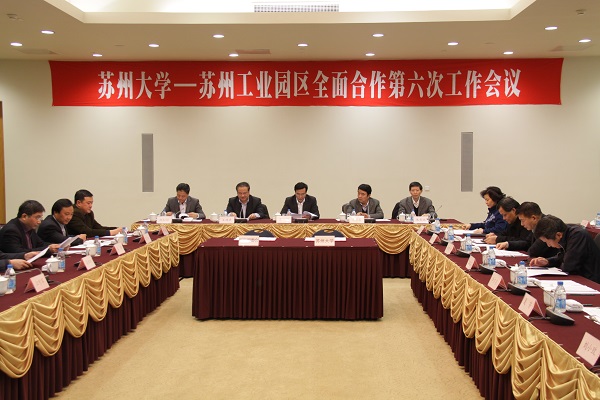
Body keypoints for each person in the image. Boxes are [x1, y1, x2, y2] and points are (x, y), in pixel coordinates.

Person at [530, 215, 600, 283]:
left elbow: (569, 267)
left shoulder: (577, 235)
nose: (548, 245)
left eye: (547, 242)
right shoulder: (566, 233)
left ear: (558, 235)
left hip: (589, 280)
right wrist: (548, 261)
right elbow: (563, 257)